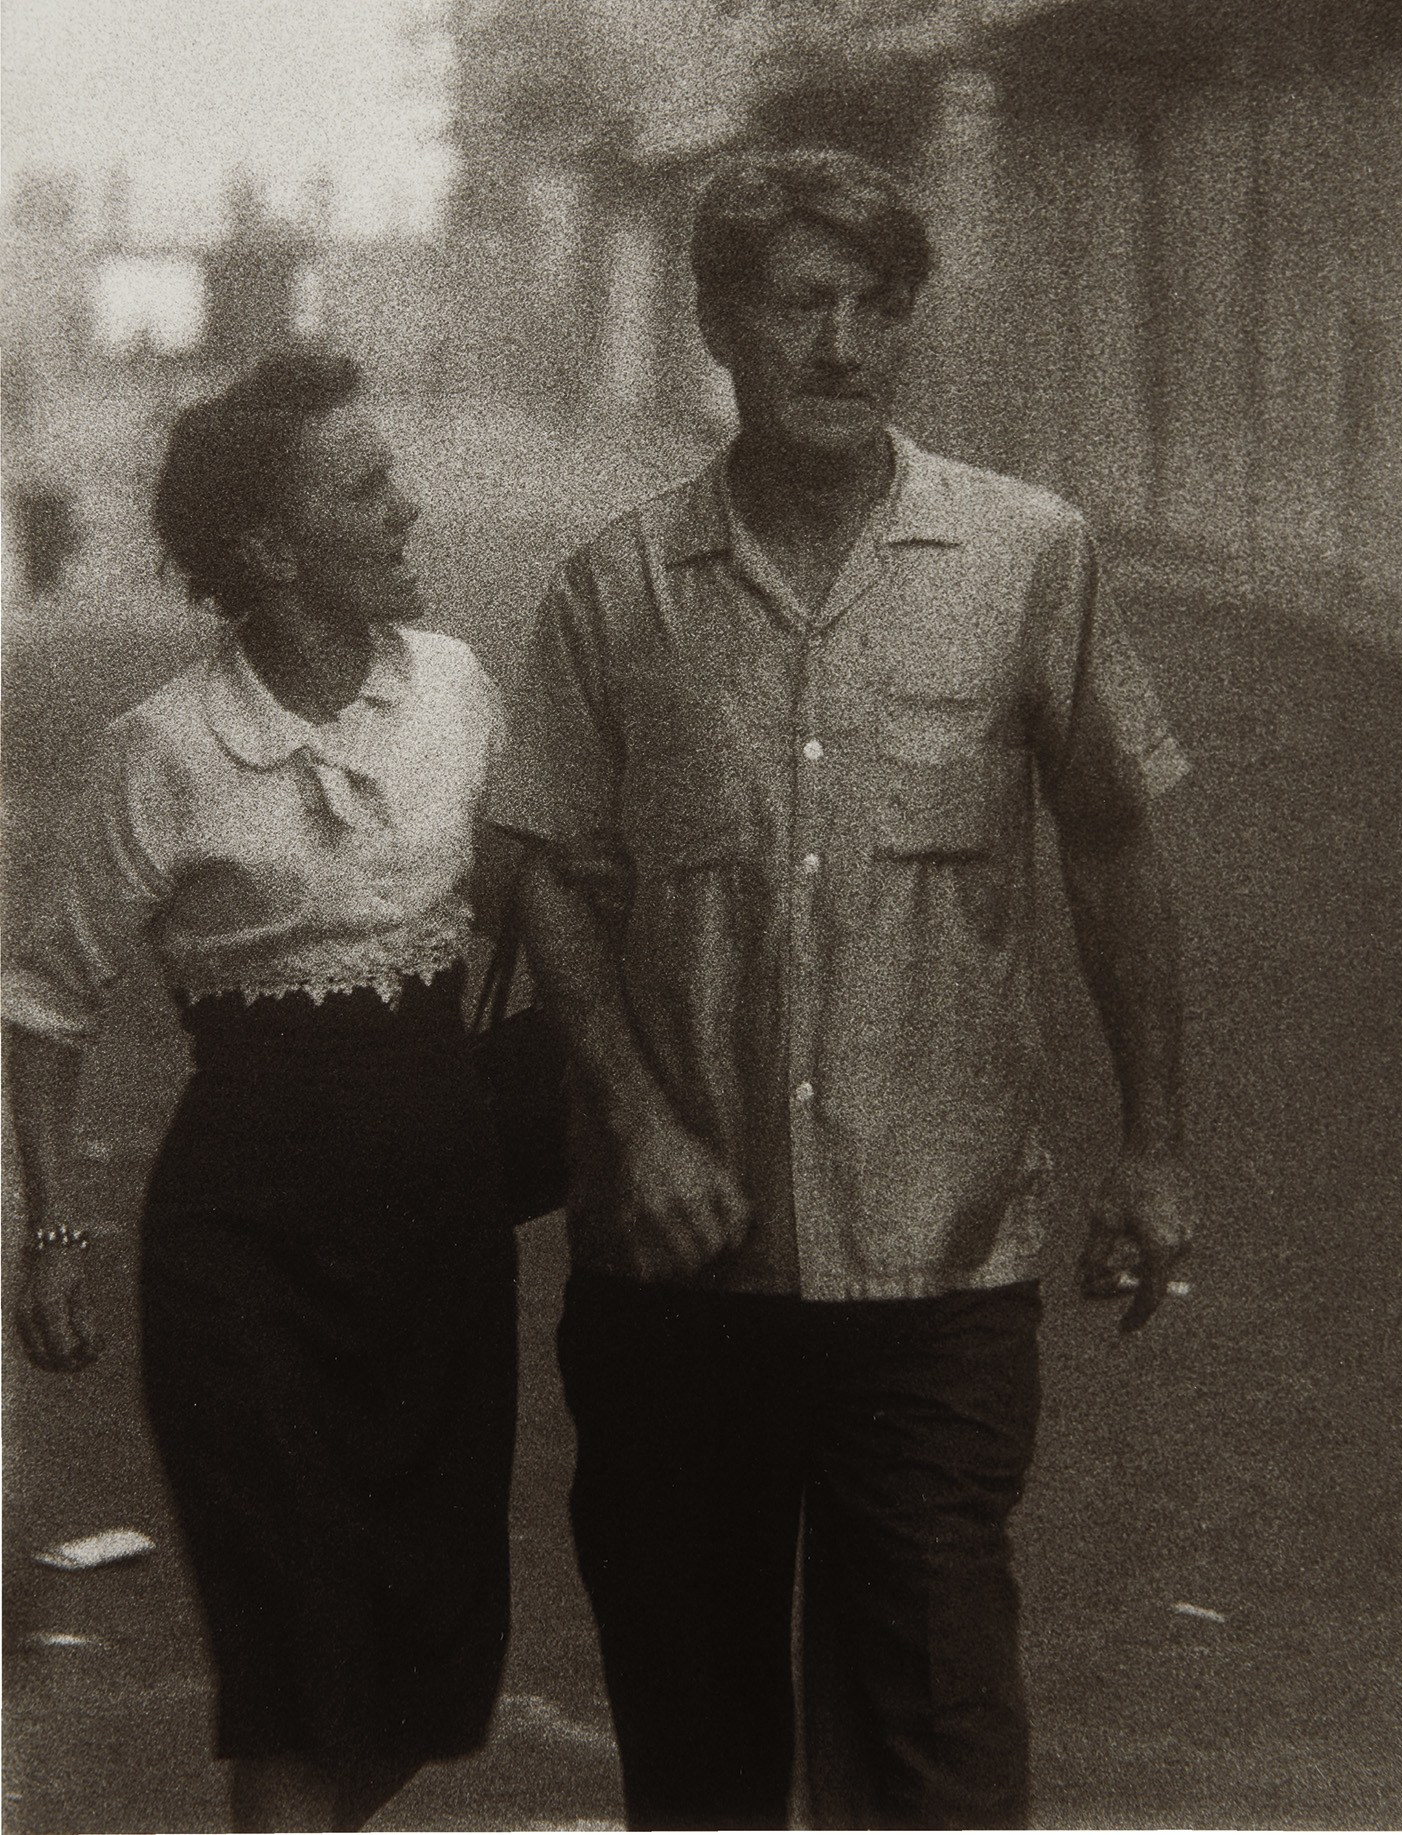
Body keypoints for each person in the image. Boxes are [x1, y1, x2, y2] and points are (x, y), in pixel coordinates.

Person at [487, 148, 1194, 1831]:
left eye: (880, 308)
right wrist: (640, 1124)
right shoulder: (618, 590)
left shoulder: (1030, 558)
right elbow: (550, 880)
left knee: (941, 1738)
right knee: (704, 1752)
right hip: (677, 1284)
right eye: (802, 305)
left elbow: (1112, 844)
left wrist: (1158, 1145)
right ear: (719, 322)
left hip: (940, 1277)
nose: (844, 345)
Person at [6, 347, 520, 1835]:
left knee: (433, 1667)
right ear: (268, 552)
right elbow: (44, 1003)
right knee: (295, 1669)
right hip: (248, 1261)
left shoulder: (457, 691)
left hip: (436, 1236)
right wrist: (50, 1235)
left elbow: (538, 897)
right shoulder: (163, 751)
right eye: (367, 488)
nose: (408, 509)